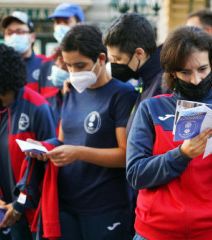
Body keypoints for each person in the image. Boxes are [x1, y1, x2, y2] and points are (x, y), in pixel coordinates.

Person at [126, 26, 212, 240]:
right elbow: (136, 175)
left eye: (202, 69)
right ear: (172, 72)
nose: (195, 80)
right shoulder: (151, 109)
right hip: (155, 232)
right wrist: (182, 154)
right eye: (185, 72)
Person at [27, 25, 138, 239]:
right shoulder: (71, 91)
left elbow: (126, 156)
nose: (74, 73)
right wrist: (44, 148)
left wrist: (78, 153)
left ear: (101, 59)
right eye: (69, 66)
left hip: (105, 207)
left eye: (80, 65)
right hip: (67, 204)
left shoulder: (122, 95)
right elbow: (62, 139)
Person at [0, 44, 56, 240]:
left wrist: (20, 204)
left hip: (32, 213)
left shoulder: (38, 108)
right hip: (3, 210)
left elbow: (44, 165)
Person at [103, 12, 170, 132]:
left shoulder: (164, 84)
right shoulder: (144, 76)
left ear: (139, 53)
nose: (114, 65)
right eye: (111, 59)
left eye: (118, 59)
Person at [38, 2, 85, 128]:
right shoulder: (46, 64)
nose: (60, 26)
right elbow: (42, 103)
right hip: (50, 132)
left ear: (80, 25)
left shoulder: (90, 62)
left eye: (66, 22)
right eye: (57, 22)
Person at [1, 11, 45, 93]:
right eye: (9, 32)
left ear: (32, 37)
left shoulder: (45, 64)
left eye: (19, 32)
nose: (14, 36)